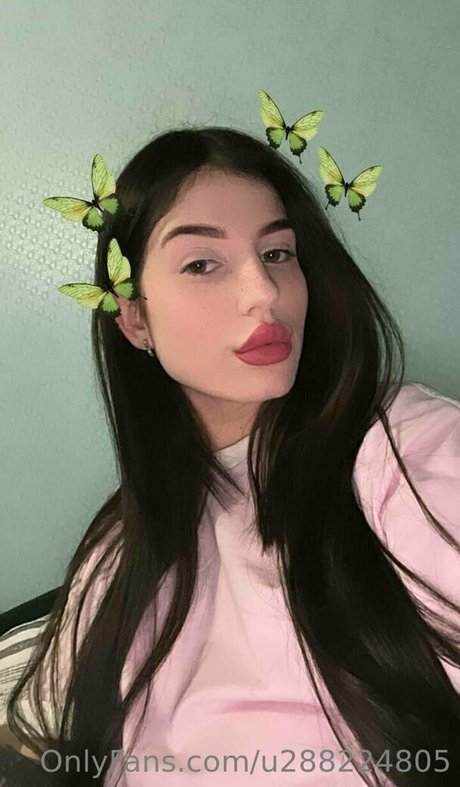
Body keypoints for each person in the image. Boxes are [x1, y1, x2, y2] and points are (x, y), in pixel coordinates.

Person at [4, 127, 460, 787]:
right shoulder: (118, 547)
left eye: (277, 253)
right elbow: (42, 736)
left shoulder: (405, 450)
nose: (264, 292)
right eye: (202, 264)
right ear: (135, 319)